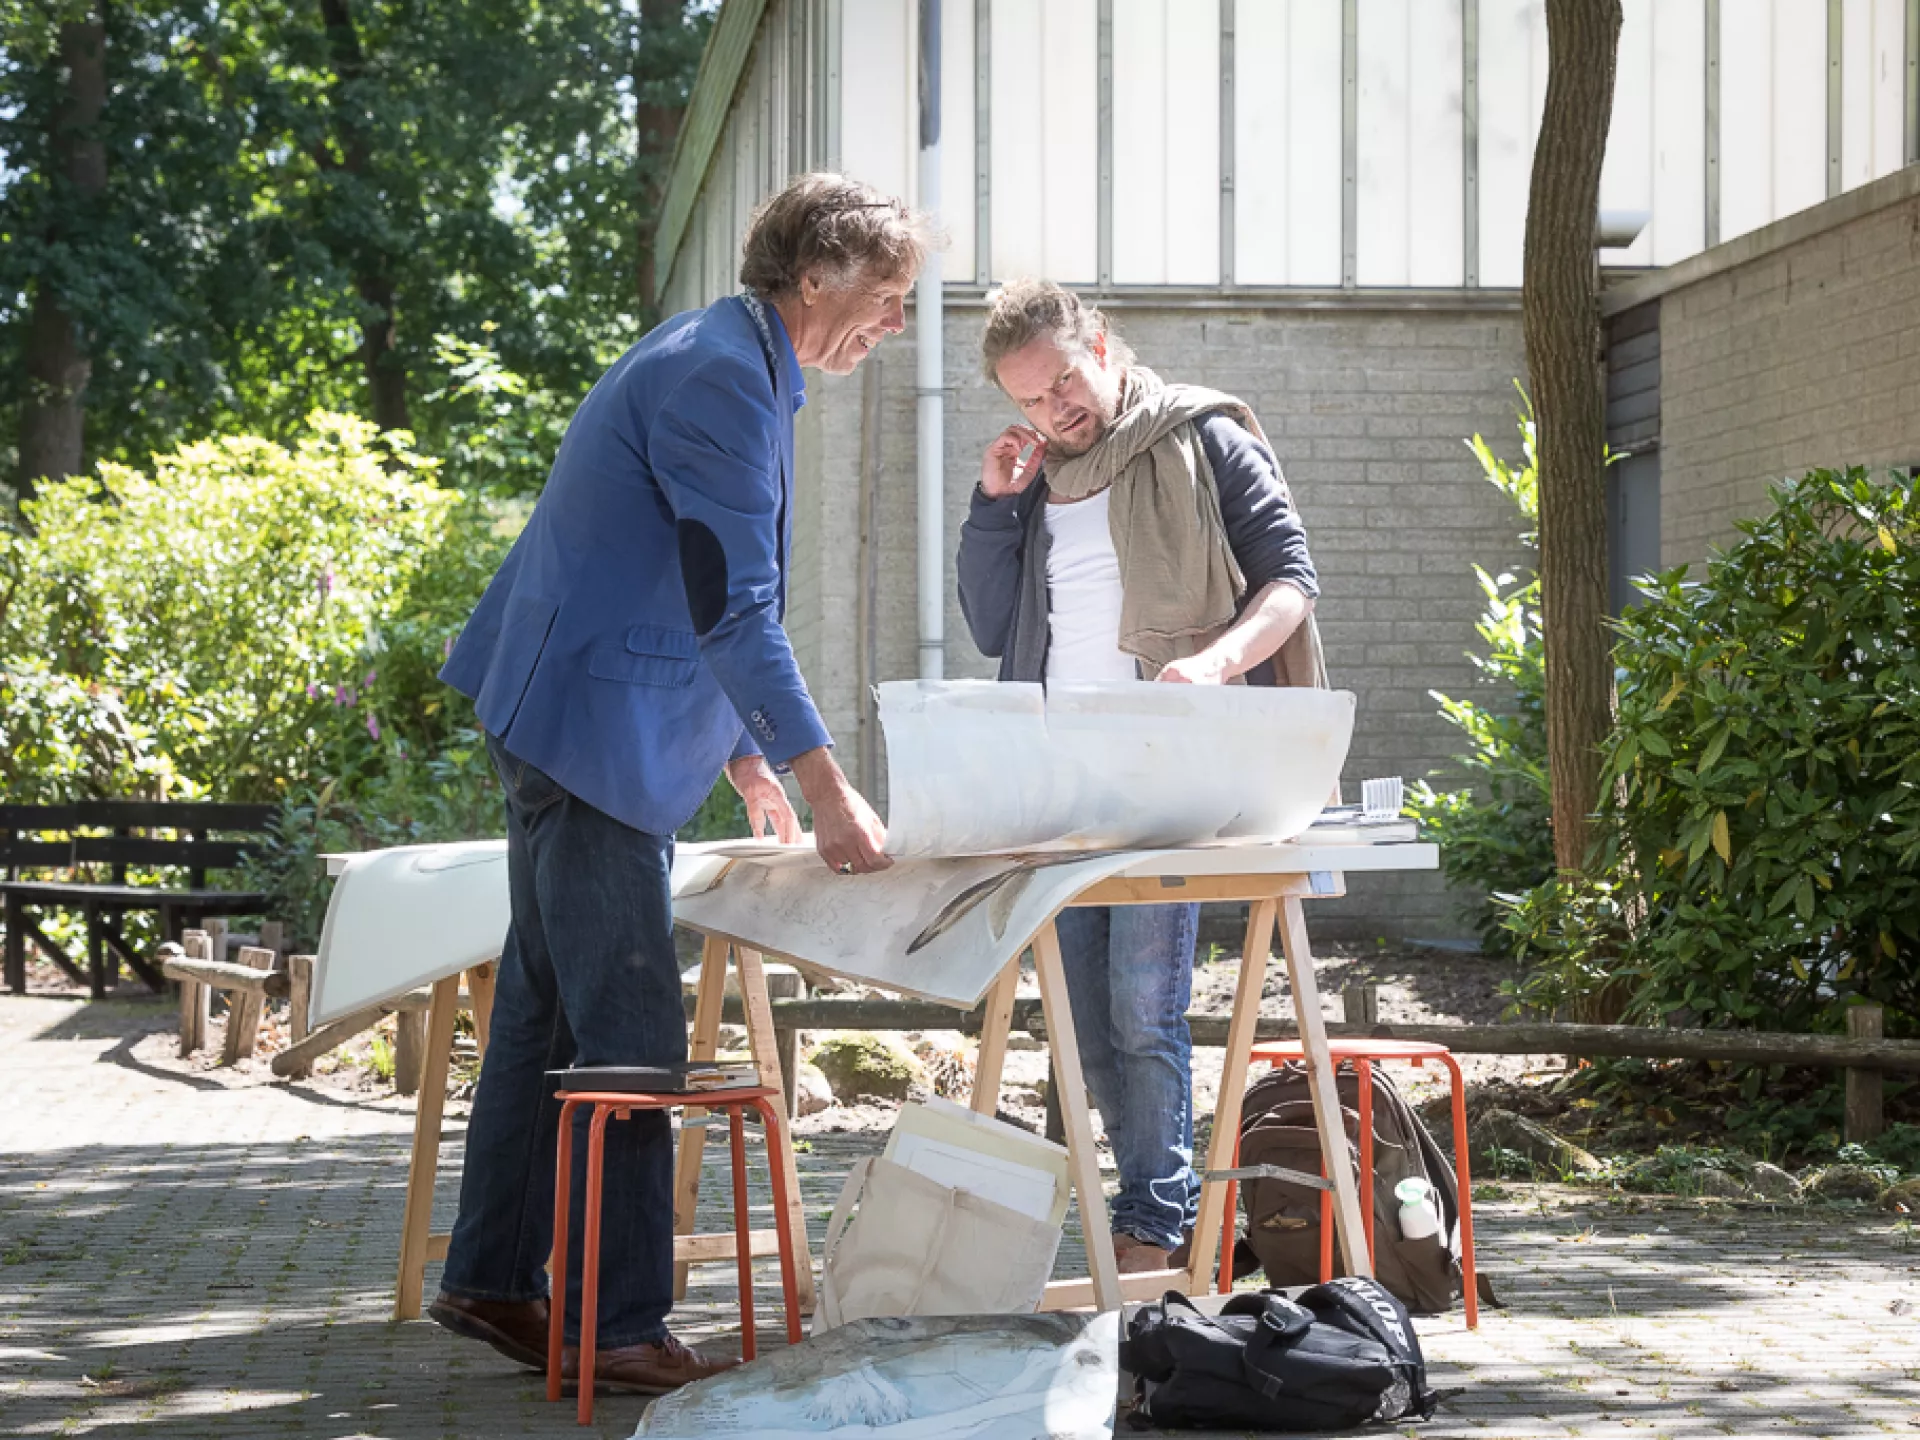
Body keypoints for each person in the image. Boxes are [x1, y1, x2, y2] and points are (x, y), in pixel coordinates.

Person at [427, 173, 929, 1395]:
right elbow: (735, 602)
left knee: (545, 1016)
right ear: (817, 277)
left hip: (569, 712)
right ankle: (618, 1324)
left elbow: (664, 571)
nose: (899, 324)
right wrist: (822, 784)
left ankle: (494, 1277)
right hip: (590, 729)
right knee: (631, 1036)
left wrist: (741, 749)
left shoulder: (732, 354)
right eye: (891, 297)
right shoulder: (721, 375)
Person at [957, 279, 1322, 1274]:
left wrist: (1217, 663)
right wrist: (992, 504)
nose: (1055, 410)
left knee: (1140, 1005)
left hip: (1174, 776)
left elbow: (1290, 579)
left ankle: (1157, 1224)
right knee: (1078, 1016)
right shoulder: (1036, 482)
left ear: (1103, 348)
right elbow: (994, 626)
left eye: (1065, 382)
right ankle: (1136, 1210)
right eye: (1030, 399)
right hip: (1060, 785)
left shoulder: (1203, 439)